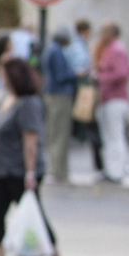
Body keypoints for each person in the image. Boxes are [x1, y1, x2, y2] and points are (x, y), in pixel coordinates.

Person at [0, 58, 69, 256]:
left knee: (36, 216)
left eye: (4, 74)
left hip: (20, 172)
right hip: (2, 170)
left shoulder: (29, 102)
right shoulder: (11, 99)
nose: (2, 78)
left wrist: (30, 173)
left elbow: (31, 139)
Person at [93, 21, 129, 182]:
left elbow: (122, 73)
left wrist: (100, 78)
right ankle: (110, 169)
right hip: (106, 99)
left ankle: (117, 170)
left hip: (115, 99)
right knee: (108, 137)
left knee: (116, 136)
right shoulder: (108, 48)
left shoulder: (117, 50)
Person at [42, 26, 78, 183]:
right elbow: (60, 75)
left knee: (56, 132)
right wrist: (76, 73)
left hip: (55, 94)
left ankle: (60, 170)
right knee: (59, 133)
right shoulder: (56, 51)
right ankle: (57, 171)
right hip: (59, 95)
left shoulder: (53, 50)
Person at [69, 19, 100, 173]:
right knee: (84, 117)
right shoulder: (77, 46)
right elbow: (78, 67)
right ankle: (79, 135)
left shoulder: (80, 45)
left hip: (82, 86)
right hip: (81, 87)